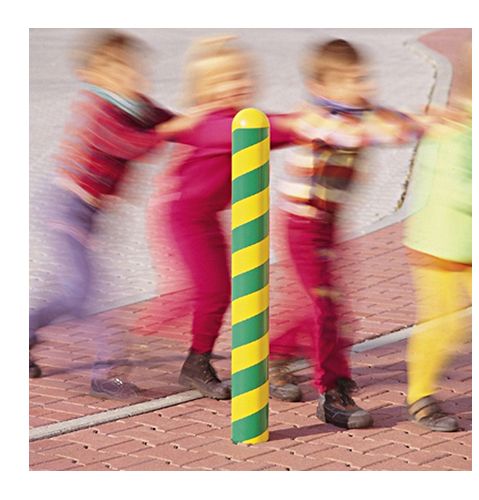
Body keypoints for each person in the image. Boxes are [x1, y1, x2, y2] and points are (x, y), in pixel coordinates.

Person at [29, 30, 200, 399]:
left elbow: (169, 122)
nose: (128, 75)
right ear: (90, 75)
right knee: (88, 293)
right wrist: (171, 129)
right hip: (66, 208)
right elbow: (129, 144)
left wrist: (204, 126)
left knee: (72, 291)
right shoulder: (97, 109)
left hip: (88, 213)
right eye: (115, 69)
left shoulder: (134, 104)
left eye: (131, 67)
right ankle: (107, 373)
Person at [269, 38, 431, 429]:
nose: (361, 86)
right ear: (322, 86)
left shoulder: (361, 112)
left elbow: (395, 121)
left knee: (318, 302)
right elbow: (352, 134)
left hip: (328, 224)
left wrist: (430, 121)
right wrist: (400, 129)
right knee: (327, 307)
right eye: (349, 80)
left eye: (362, 77)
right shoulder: (317, 117)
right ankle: (333, 392)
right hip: (302, 224)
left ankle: (273, 356)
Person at [147, 36, 293, 400]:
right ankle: (165, 352)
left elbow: (271, 131)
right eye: (224, 79)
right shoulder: (212, 123)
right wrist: (307, 124)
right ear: (205, 88)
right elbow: (267, 131)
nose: (237, 84)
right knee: (211, 291)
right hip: (183, 216)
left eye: (241, 75)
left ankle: (189, 356)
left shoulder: (240, 118)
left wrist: (310, 124)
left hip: (205, 217)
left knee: (214, 290)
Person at [403, 42, 472, 432]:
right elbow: (456, 189)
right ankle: (420, 395)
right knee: (444, 324)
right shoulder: (455, 132)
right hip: (440, 246)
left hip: (471, 246)